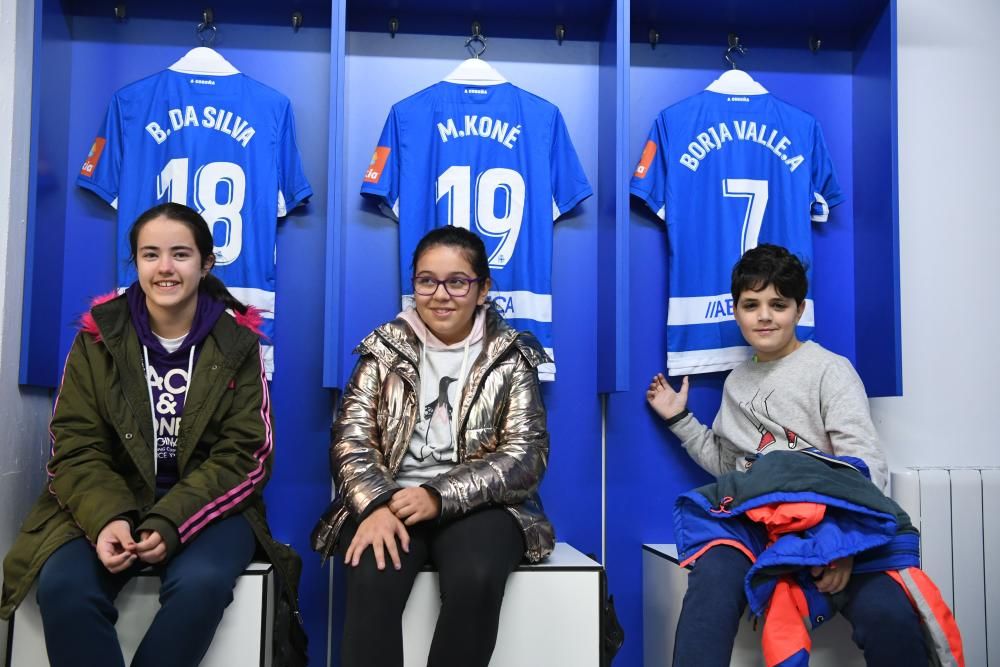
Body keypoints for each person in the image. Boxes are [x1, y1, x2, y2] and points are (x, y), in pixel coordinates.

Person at [0, 203, 303, 667]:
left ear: (206, 264)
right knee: (65, 588)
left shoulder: (237, 344)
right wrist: (107, 520)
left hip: (207, 508)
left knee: (200, 585)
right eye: (150, 254)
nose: (164, 268)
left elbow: (246, 457)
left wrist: (170, 521)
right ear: (136, 263)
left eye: (180, 254)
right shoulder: (97, 338)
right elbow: (75, 447)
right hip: (109, 499)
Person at [646, 244, 925, 666]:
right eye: (751, 304)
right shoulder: (737, 380)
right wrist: (679, 419)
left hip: (827, 521)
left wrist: (842, 546)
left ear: (798, 310)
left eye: (778, 304)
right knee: (711, 584)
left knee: (891, 614)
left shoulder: (830, 370)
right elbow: (729, 466)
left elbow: (865, 463)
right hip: (755, 522)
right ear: (736, 311)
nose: (764, 315)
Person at [311, 226, 554, 667]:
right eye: (427, 280)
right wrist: (376, 505)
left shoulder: (512, 356)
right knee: (372, 572)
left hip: (482, 506)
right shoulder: (383, 350)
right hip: (391, 500)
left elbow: (525, 454)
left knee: (477, 576)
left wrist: (438, 496)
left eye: (457, 281)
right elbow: (350, 440)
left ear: (483, 290)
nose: (440, 294)